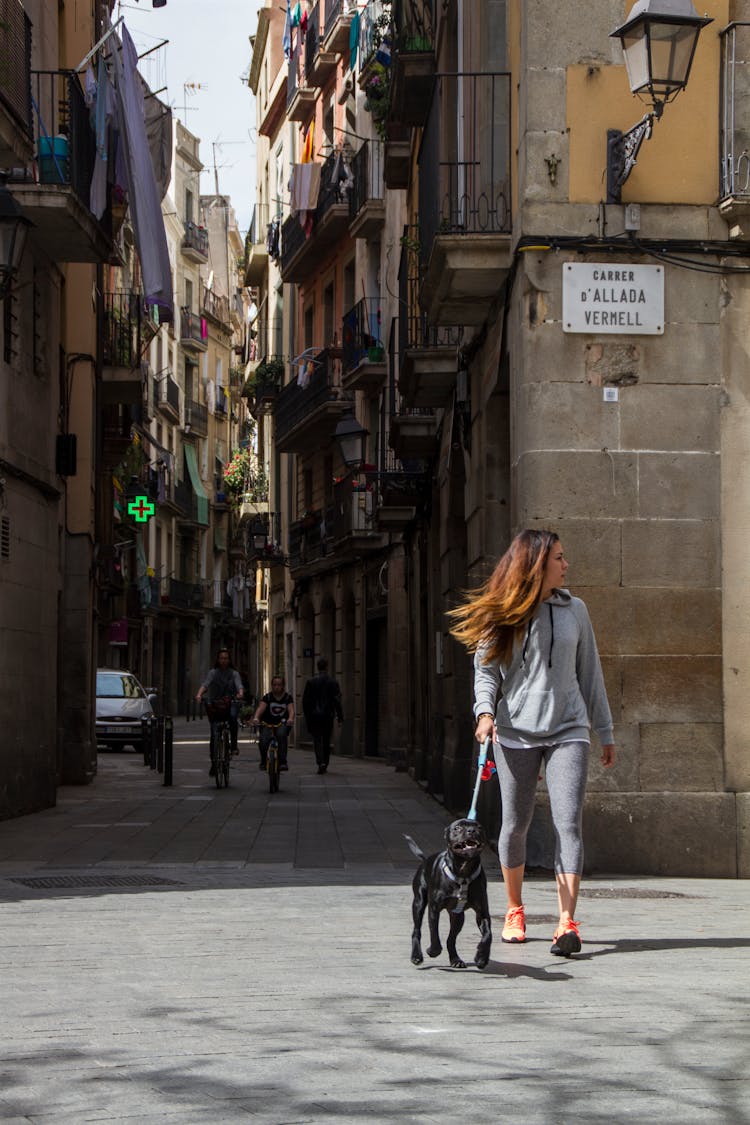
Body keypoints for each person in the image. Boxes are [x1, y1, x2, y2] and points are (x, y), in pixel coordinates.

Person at [448, 529, 616, 957]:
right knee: (515, 824)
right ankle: (514, 909)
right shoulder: (503, 614)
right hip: (516, 733)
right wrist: (484, 712)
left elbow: (590, 673)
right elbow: (485, 672)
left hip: (569, 730)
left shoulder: (576, 610)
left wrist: (605, 730)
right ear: (537, 565)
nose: (566, 564)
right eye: (559, 558)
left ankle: (566, 923)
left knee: (568, 823)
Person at [195, 649, 244, 776]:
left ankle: (233, 746)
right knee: (214, 734)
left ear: (229, 660)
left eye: (226, 658)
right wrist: (199, 695)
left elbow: (239, 686)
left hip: (230, 703)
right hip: (216, 704)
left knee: (233, 717)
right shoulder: (213, 673)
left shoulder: (234, 674)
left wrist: (240, 694)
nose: (224, 660)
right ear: (218, 660)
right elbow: (205, 684)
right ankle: (214, 763)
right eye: (221, 658)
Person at [302, 658, 343, 774]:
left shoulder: (310, 682)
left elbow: (305, 701)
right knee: (326, 740)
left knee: (317, 740)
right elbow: (337, 701)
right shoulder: (333, 682)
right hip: (327, 716)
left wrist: (307, 715)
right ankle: (325, 762)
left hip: (314, 716)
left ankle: (320, 762)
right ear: (327, 667)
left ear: (317, 667)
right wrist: (340, 717)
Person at [253, 675, 295, 771]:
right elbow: (260, 709)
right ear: (272, 685)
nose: (277, 687)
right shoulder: (267, 697)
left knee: (281, 735)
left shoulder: (287, 698)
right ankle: (263, 761)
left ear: (283, 686)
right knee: (263, 741)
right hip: (267, 724)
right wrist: (256, 718)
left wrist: (290, 719)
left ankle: (283, 762)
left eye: (279, 684)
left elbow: (291, 710)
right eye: (275, 684)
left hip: (281, 723)